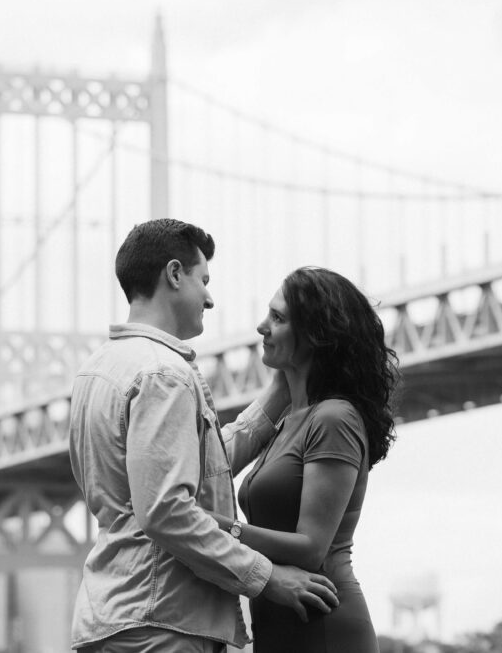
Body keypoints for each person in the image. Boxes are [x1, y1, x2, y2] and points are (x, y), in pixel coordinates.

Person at [68, 219, 339, 653]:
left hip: (112, 614)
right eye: (203, 280)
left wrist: (278, 395)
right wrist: (267, 578)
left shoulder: (97, 370)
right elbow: (166, 510)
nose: (210, 298)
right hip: (163, 621)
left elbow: (191, 466)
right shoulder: (165, 374)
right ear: (175, 274)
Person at [209, 266, 400, 653]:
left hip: (325, 625)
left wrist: (213, 527)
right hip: (278, 625)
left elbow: (311, 546)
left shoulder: (334, 418)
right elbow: (215, 461)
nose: (262, 326)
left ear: (315, 336)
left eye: (277, 318)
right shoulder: (287, 421)